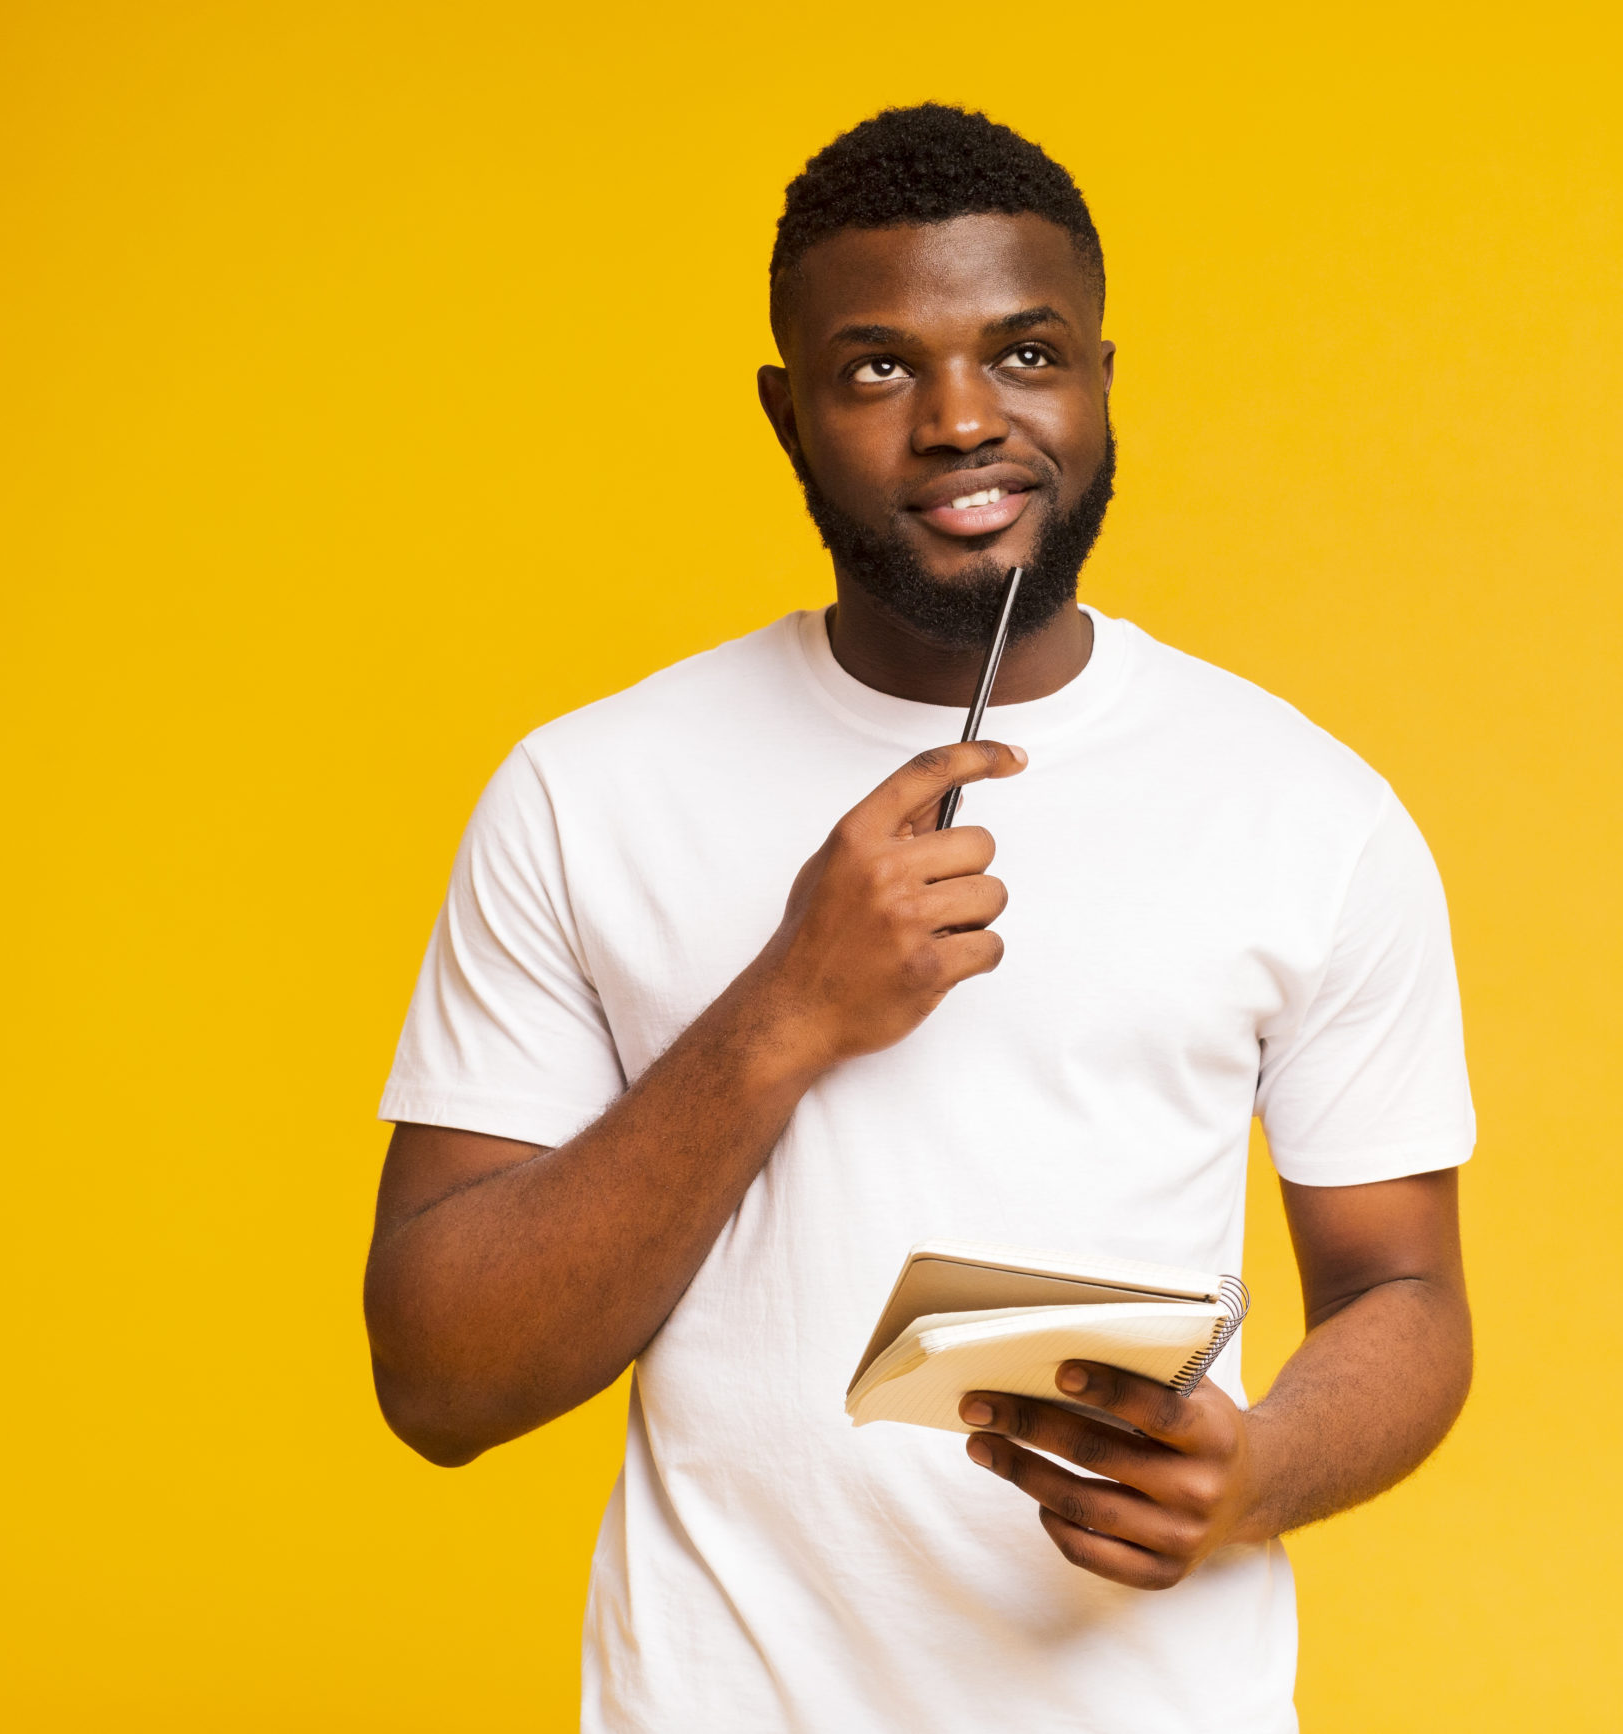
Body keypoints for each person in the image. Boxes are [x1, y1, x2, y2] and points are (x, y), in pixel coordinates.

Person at [363, 103, 1474, 1733]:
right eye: (880, 367)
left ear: (1102, 378)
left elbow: (1406, 1293)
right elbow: (441, 1378)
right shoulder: (584, 791)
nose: (964, 419)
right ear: (787, 411)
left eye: (1025, 353)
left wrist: (1257, 1473)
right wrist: (785, 1009)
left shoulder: (1305, 808)